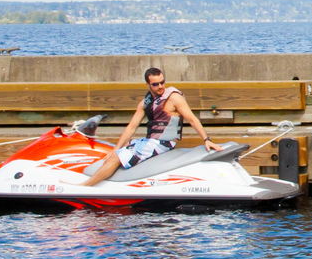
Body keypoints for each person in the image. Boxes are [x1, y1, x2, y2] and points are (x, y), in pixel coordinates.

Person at [83, 66, 214, 185]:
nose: (160, 86)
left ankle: (85, 187)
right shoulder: (145, 103)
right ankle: (101, 181)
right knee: (117, 151)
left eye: (162, 82)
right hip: (150, 142)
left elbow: (192, 119)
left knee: (118, 157)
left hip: (163, 143)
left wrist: (206, 140)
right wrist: (116, 148)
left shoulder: (174, 98)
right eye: (155, 84)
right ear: (148, 84)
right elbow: (132, 127)